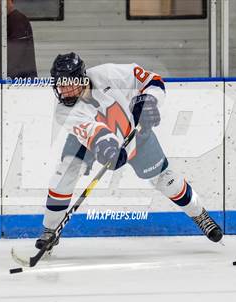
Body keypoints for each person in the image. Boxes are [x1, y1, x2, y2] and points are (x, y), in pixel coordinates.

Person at [36, 52, 223, 251]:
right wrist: (107, 147)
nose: (64, 91)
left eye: (68, 84)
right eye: (60, 85)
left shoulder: (109, 74)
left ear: (82, 78)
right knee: (66, 171)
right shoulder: (64, 110)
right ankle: (50, 229)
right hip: (90, 142)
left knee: (166, 180)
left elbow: (152, 79)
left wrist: (149, 100)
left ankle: (199, 214)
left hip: (135, 131)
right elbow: (93, 132)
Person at [0, 0, 37, 78]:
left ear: (11, 1)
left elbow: (11, 61)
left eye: (0, 1)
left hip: (18, 84)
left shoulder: (17, 21)